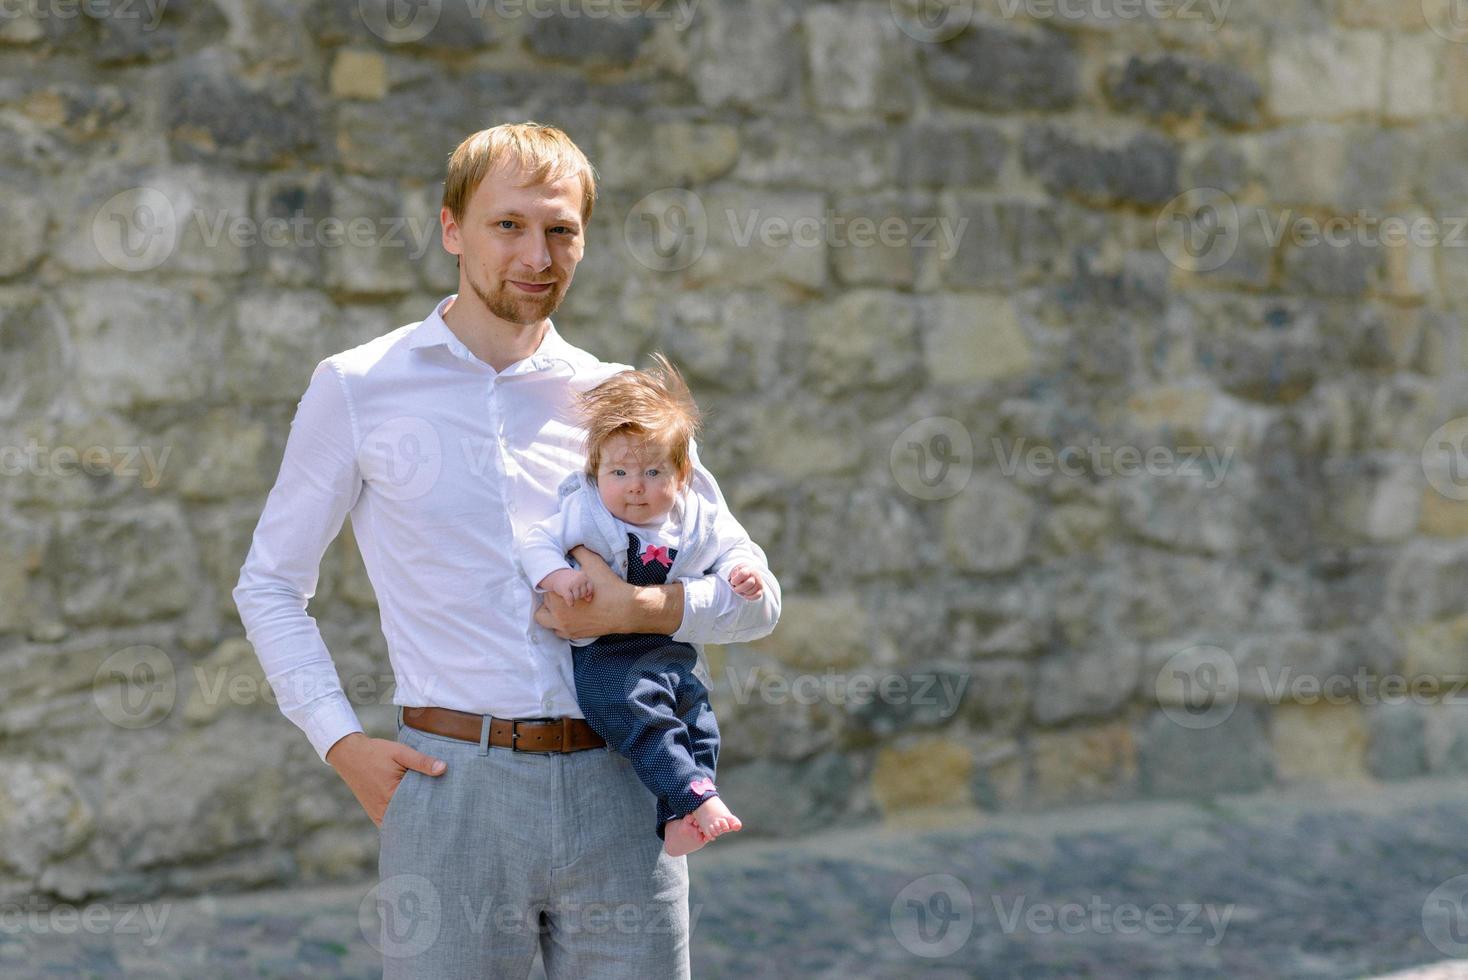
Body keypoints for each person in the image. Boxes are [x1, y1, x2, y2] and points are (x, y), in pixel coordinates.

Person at [232, 121, 781, 979]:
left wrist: (639, 609)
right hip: (453, 794)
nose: (538, 254)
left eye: (561, 229)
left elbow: (757, 599)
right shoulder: (359, 386)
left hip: (621, 789)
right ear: (452, 228)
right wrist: (341, 744)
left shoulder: (619, 403)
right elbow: (269, 585)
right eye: (509, 225)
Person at [518, 353, 766, 857]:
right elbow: (535, 543)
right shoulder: (585, 512)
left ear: (681, 475)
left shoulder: (692, 519)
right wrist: (559, 575)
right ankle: (696, 798)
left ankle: (680, 816)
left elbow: (734, 550)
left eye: (653, 471)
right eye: (619, 471)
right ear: (595, 472)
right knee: (644, 719)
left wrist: (743, 574)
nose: (635, 485)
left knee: (697, 719)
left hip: (669, 650)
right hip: (607, 661)